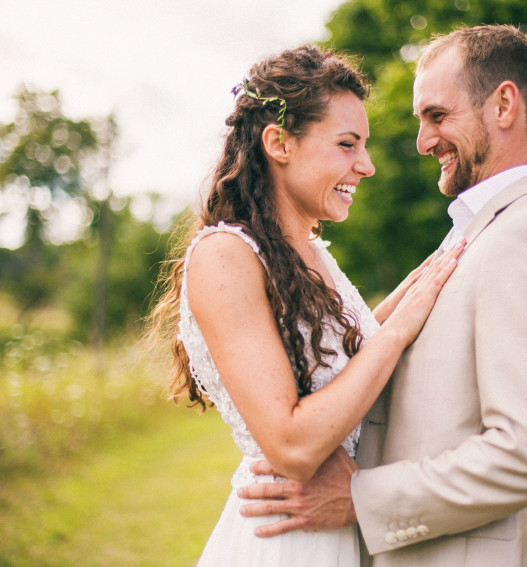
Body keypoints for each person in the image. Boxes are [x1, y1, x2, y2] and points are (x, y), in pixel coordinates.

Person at [238, 25, 527, 566]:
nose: (423, 141)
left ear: (504, 105)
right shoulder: (479, 233)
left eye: (437, 116)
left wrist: (361, 497)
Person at [148, 45, 465, 566]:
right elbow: (292, 445)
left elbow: (343, 357)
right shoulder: (225, 255)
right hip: (286, 543)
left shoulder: (310, 253)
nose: (366, 166)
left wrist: (425, 279)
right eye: (346, 144)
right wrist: (398, 329)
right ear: (279, 143)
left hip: (335, 533)